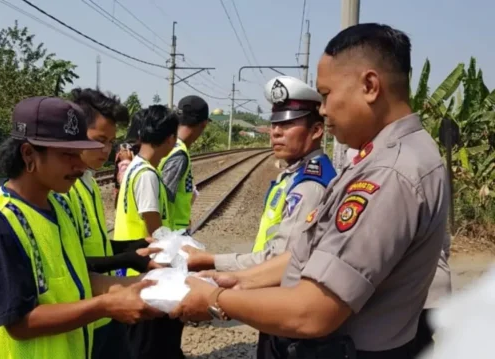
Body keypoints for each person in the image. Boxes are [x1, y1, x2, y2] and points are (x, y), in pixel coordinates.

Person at [170, 23, 451, 359]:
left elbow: (313, 312)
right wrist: (243, 281)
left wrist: (214, 300)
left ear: (370, 86)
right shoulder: (385, 156)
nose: (324, 109)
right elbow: (311, 254)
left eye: (328, 94)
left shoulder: (389, 173)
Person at [0, 96, 162, 359]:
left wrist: (137, 284)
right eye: (67, 155)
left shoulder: (58, 206)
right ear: (28, 154)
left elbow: (76, 278)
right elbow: (19, 323)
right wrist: (105, 306)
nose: (80, 165)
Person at [183, 76, 336, 358]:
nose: (276, 132)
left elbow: (284, 258)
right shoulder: (293, 176)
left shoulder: (310, 185)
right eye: (275, 123)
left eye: (288, 124)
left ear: (316, 130)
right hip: (274, 296)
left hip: (287, 306)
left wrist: (212, 262)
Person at [67, 88, 164, 359]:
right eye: (99, 140)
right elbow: (71, 262)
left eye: (111, 142)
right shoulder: (62, 190)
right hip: (84, 312)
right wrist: (128, 259)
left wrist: (132, 248)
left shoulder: (86, 181)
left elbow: (92, 243)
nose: (106, 150)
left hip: (102, 309)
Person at [112, 105, 182, 359]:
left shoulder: (133, 167)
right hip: (144, 268)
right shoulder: (147, 175)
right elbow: (155, 227)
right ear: (171, 139)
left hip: (131, 264)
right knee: (149, 346)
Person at [158, 95, 210, 231]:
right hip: (172, 231)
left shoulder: (169, 145)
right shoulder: (179, 154)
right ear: (203, 124)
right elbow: (163, 199)